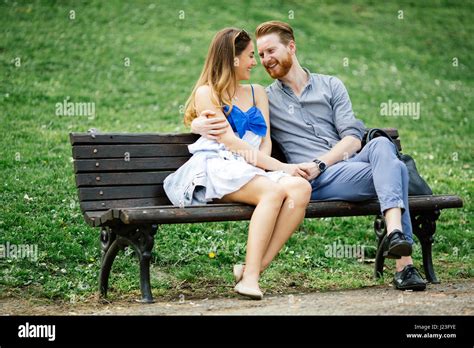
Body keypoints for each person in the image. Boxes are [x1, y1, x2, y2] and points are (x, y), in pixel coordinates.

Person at [191, 21, 427, 291]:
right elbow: (223, 112)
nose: (265, 60)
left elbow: (352, 138)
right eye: (260, 54)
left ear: (291, 47)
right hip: (317, 180)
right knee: (396, 169)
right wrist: (196, 124)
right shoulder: (266, 97)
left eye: (270, 51)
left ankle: (394, 234)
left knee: (383, 146)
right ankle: (404, 265)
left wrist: (321, 162)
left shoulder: (331, 85)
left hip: (341, 166)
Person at [163, 28, 312, 300]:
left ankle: (251, 270)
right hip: (219, 166)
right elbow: (231, 143)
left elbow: (265, 139)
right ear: (232, 59)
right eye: (250, 56)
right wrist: (283, 167)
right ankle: (251, 278)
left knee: (301, 188)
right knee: (273, 191)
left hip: (253, 166)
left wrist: (268, 166)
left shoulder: (257, 92)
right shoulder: (207, 93)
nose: (256, 62)